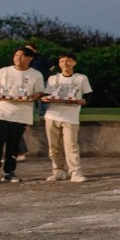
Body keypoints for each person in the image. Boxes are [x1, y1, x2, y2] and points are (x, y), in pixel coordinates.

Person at [42, 53, 93, 183]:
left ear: (74, 63)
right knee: (53, 146)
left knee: (71, 145)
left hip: (71, 117)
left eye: (68, 61)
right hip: (52, 115)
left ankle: (75, 172)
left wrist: (84, 101)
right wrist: (44, 98)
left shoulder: (81, 78)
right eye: (62, 61)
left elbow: (88, 95)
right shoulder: (53, 79)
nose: (65, 64)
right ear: (59, 64)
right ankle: (58, 170)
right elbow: (46, 94)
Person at [0, 47, 46, 183]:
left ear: (30, 58)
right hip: (2, 112)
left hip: (21, 115)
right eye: (16, 55)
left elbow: (40, 92)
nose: (18, 58)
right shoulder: (3, 71)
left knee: (13, 145)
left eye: (22, 56)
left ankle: (9, 172)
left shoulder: (36, 74)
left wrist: (34, 96)